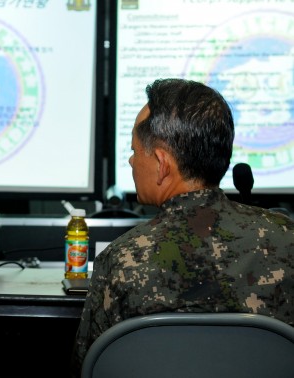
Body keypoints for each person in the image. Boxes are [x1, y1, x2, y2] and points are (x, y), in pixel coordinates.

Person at [71, 78, 294, 376]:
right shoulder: (287, 239)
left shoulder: (120, 260)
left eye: (136, 150)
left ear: (162, 164)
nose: (131, 160)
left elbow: (89, 368)